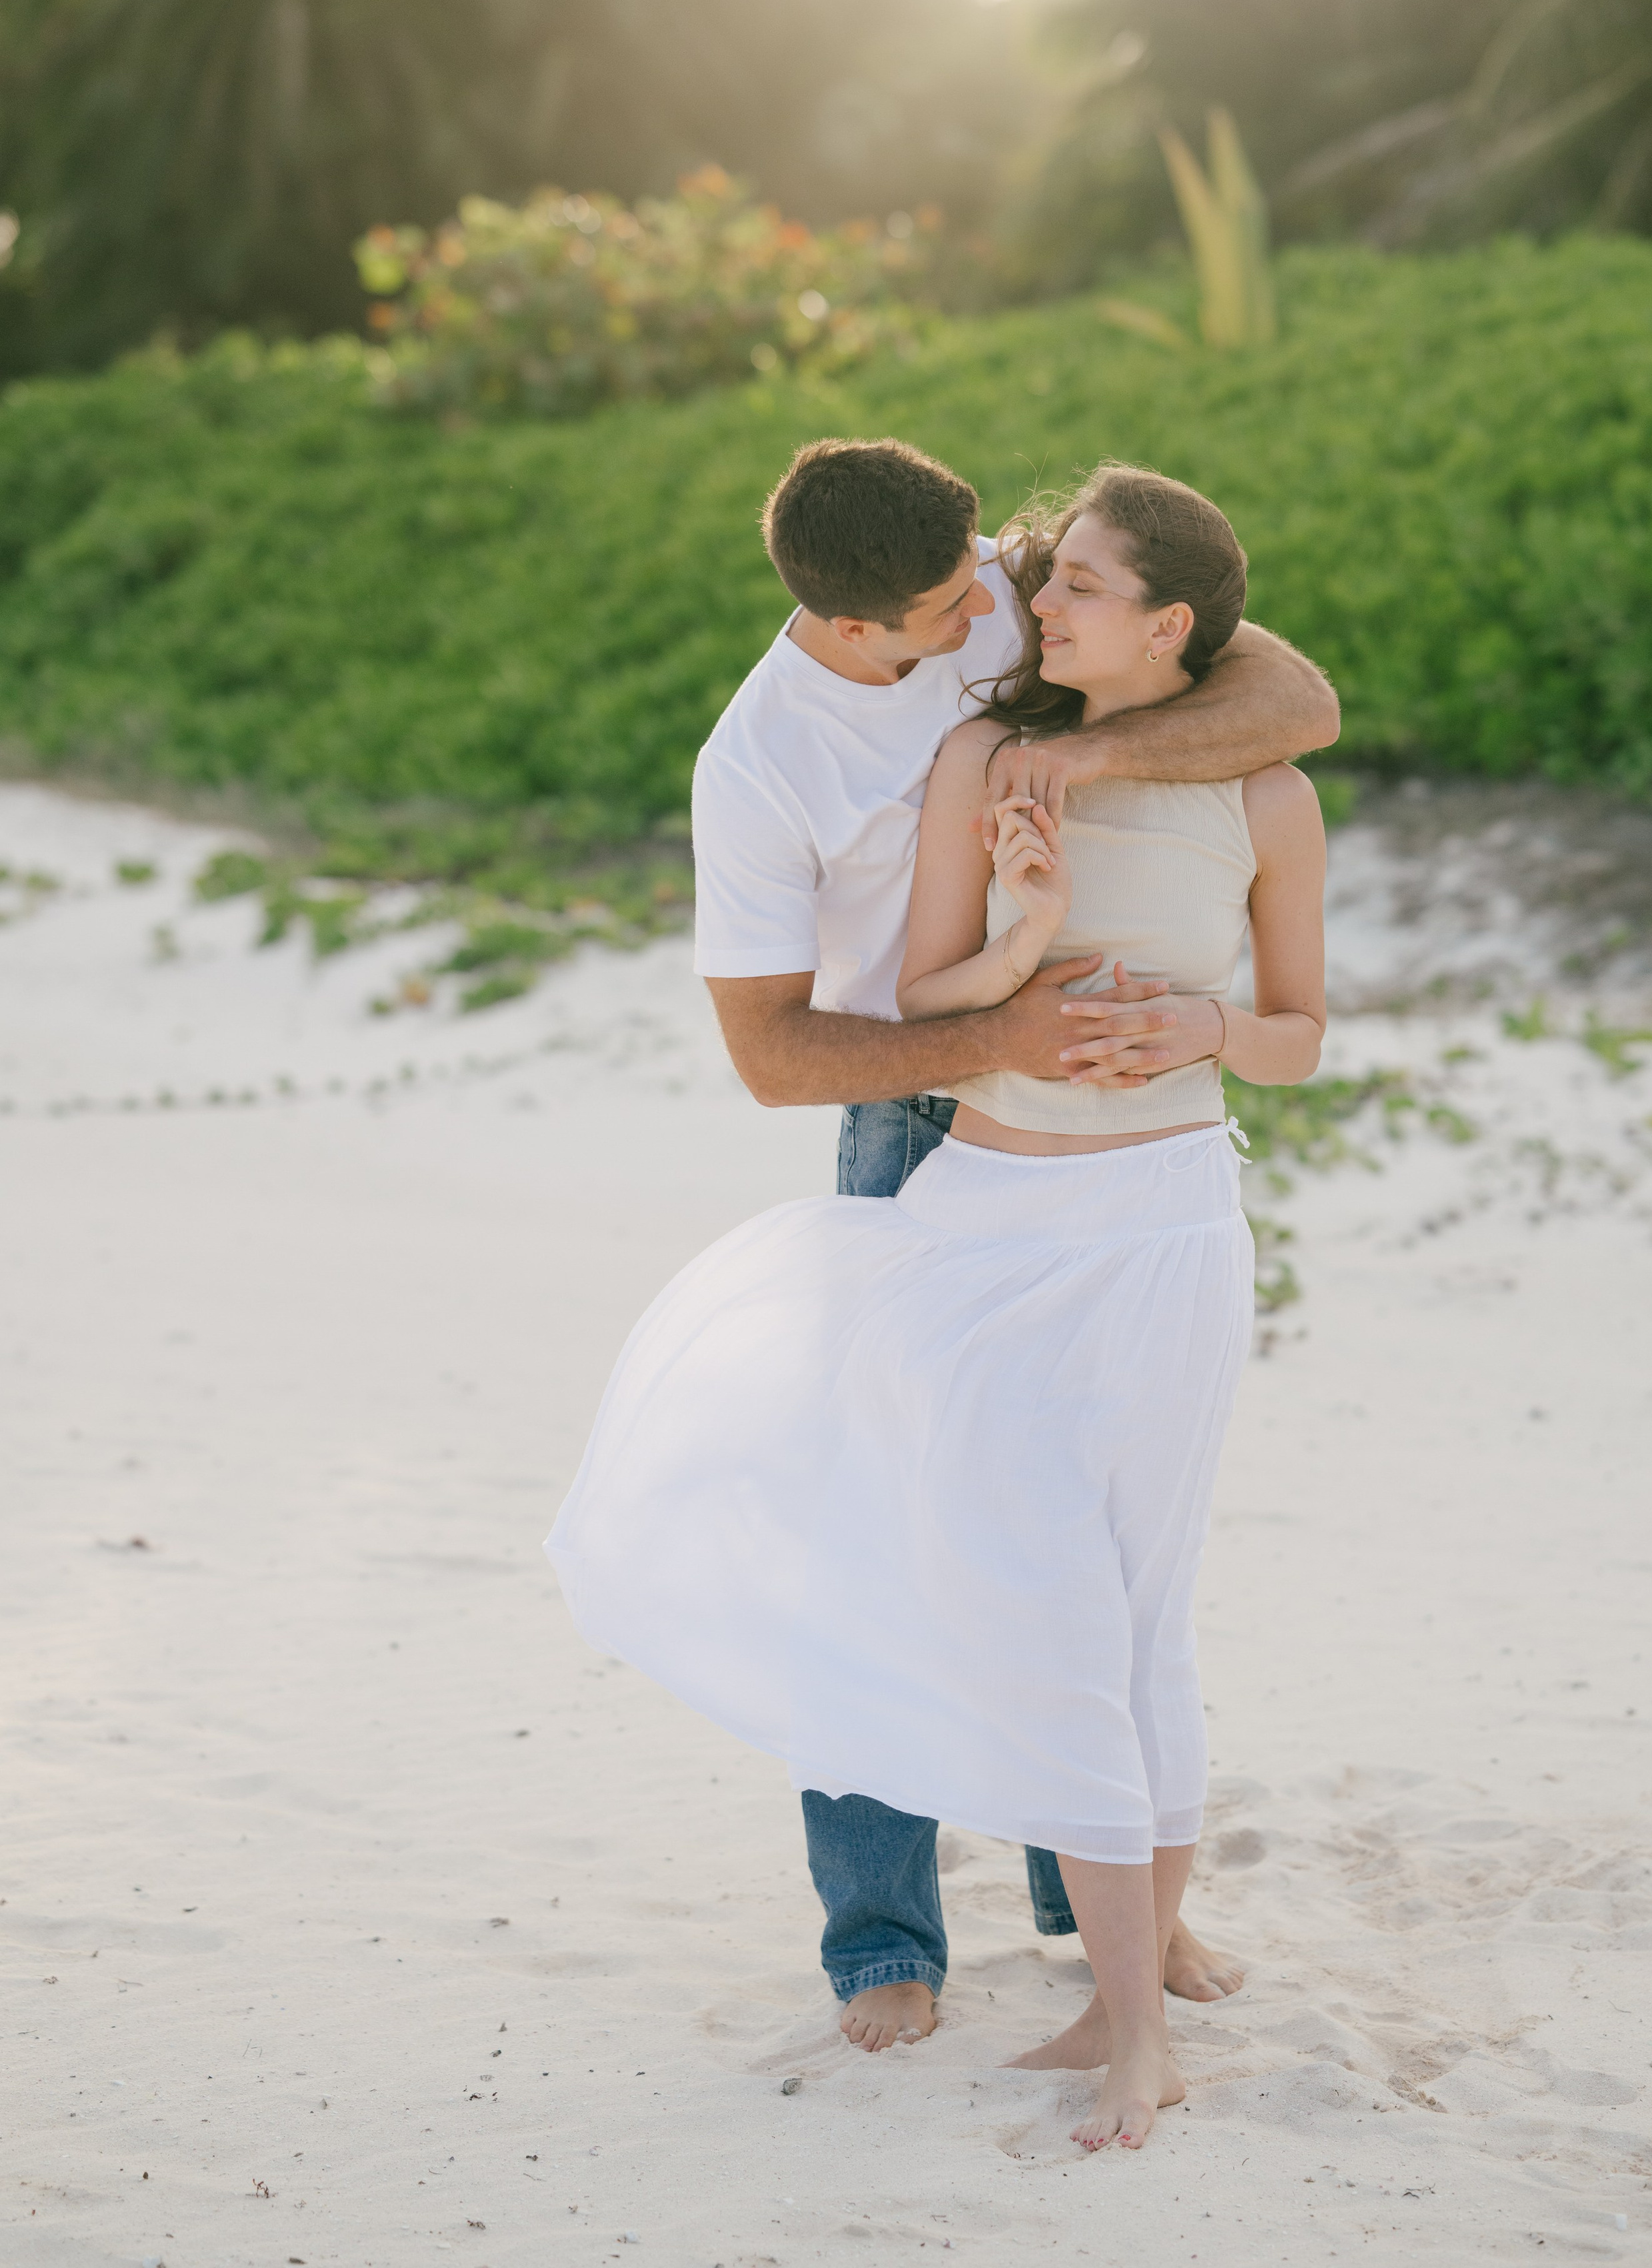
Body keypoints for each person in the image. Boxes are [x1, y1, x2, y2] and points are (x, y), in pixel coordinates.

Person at [552, 439, 1337, 2066]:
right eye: (948, 600)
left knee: (1086, 1548)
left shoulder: (991, 602)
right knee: (879, 1550)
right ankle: (883, 1940)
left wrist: (1097, 778)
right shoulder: (757, 765)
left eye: (996, 570)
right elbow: (772, 1052)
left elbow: (1290, 700)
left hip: (1121, 1148)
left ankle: (1102, 1905)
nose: (995, 599)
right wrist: (1006, 1021)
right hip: (912, 1124)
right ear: (860, 630)